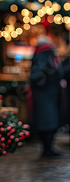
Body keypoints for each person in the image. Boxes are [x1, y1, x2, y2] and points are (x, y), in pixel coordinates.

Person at [30, 27, 64, 158]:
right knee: (49, 120)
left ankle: (48, 148)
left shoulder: (39, 54)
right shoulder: (46, 54)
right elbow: (39, 74)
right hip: (47, 93)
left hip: (45, 93)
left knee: (47, 120)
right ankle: (47, 149)